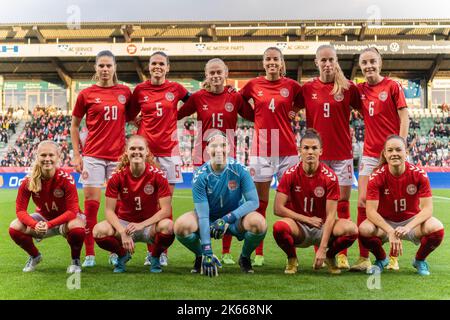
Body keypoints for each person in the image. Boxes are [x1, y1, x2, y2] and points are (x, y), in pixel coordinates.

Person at [177, 58, 254, 265]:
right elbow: (176, 114)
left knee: (228, 203)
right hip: (201, 158)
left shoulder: (235, 97)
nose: (216, 76)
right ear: (206, 75)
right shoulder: (198, 97)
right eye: (211, 72)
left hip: (227, 158)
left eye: (219, 72)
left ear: (226, 73)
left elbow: (255, 115)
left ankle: (227, 252)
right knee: (205, 206)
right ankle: (201, 254)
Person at [298, 45, 362, 269]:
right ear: (316, 63)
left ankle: (341, 253)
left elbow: (369, 108)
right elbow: (285, 109)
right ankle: (320, 251)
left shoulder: (348, 88)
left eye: (331, 60)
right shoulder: (307, 89)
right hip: (317, 157)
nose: (327, 64)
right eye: (323, 60)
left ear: (337, 62)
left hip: (343, 155)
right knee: (319, 205)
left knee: (342, 203)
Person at [240, 47, 303, 266]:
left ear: (282, 62)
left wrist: (293, 112)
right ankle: (259, 252)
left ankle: (291, 256)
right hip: (262, 149)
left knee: (292, 202)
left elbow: (302, 101)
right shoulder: (254, 84)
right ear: (263, 62)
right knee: (260, 203)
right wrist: (254, 116)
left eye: (276, 59)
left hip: (287, 151)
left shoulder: (292, 85)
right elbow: (240, 103)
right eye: (268, 59)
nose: (272, 62)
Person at [70, 50, 132, 268]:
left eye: (108, 65)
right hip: (93, 157)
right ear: (95, 68)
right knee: (91, 207)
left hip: (118, 158)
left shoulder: (125, 92)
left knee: (117, 208)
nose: (105, 69)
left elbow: (134, 116)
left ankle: (116, 251)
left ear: (115, 67)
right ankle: (89, 254)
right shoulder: (86, 94)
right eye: (101, 66)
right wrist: (77, 154)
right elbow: (75, 126)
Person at [174, 132, 267, 276]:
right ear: (207, 150)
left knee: (259, 223)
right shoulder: (200, 176)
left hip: (235, 219)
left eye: (223, 145)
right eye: (214, 146)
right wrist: (207, 251)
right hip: (209, 218)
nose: (219, 150)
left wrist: (226, 220)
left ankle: (244, 257)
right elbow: (203, 216)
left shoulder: (240, 169)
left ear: (229, 148)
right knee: (181, 226)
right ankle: (201, 255)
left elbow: (253, 202)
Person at [129, 51, 190, 266]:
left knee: (166, 204)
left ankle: (161, 252)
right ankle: (150, 251)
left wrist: (177, 115)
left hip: (170, 153)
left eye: (161, 64)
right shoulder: (140, 90)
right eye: (154, 63)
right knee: (148, 203)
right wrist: (135, 120)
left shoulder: (176, 89)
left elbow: (192, 103)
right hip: (146, 155)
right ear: (149, 66)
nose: (157, 67)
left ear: (168, 67)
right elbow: (128, 112)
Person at [351, 47, 410, 272]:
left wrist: (400, 147)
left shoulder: (392, 86)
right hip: (369, 154)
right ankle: (364, 257)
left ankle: (394, 258)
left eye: (372, 62)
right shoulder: (360, 90)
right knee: (363, 201)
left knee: (391, 205)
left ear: (380, 62)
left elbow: (404, 115)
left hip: (391, 154)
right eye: (364, 63)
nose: (369, 66)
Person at [273, 129, 358, 275]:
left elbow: (331, 215)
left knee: (352, 230)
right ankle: (292, 258)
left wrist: (323, 249)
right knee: (279, 228)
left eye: (314, 148)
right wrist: (306, 219)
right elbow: (277, 208)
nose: (310, 152)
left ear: (321, 151)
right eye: (306, 148)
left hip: (323, 226)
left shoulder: (330, 177)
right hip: (299, 227)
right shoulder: (290, 174)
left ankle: (330, 257)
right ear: (299, 150)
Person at [360, 135, 444, 276]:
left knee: (437, 228)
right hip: (385, 222)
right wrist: (390, 231)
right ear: (385, 154)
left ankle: (419, 260)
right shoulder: (376, 176)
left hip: (412, 222)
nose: (394, 154)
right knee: (364, 229)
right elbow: (370, 212)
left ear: (406, 152)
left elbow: (427, 209)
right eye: (390, 150)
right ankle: (381, 259)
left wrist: (407, 227)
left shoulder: (419, 174)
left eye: (398, 150)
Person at [93, 135, 174, 273]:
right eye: (132, 148)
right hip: (125, 224)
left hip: (149, 225)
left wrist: (142, 225)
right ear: (126, 152)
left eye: (140, 148)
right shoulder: (116, 177)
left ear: (147, 151)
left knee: (169, 226)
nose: (136, 151)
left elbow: (166, 210)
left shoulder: (158, 175)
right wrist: (122, 231)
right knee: (98, 231)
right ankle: (122, 255)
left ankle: (155, 257)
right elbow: (109, 211)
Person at [9, 140, 85, 273]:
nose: (47, 159)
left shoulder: (67, 179)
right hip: (43, 219)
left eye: (51, 155)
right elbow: (20, 210)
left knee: (77, 227)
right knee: (15, 227)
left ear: (58, 157)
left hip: (66, 221)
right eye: (43, 155)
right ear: (37, 157)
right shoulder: (28, 180)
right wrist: (34, 224)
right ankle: (35, 256)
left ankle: (75, 261)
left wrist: (49, 225)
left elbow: (72, 211)